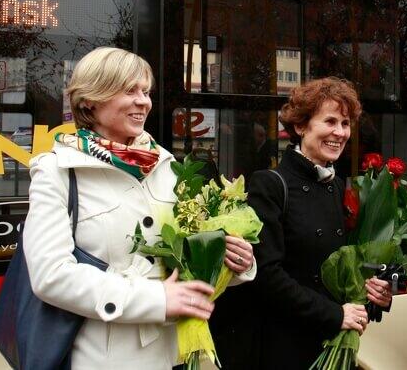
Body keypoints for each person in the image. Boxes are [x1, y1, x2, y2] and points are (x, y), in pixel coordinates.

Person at [21, 47, 256, 369]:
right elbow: (51, 276)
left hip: (176, 353)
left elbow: (186, 260)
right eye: (129, 91)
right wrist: (156, 300)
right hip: (103, 357)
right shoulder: (58, 171)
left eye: (145, 91)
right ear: (90, 99)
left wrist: (231, 264)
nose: (143, 101)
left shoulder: (166, 166)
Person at [243, 77, 392, 369]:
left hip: (327, 340)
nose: (340, 132)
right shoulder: (269, 185)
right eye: (330, 121)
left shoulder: (334, 185)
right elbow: (266, 276)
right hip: (286, 347)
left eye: (345, 124)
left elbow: (337, 265)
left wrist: (372, 291)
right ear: (300, 126)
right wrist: (336, 315)